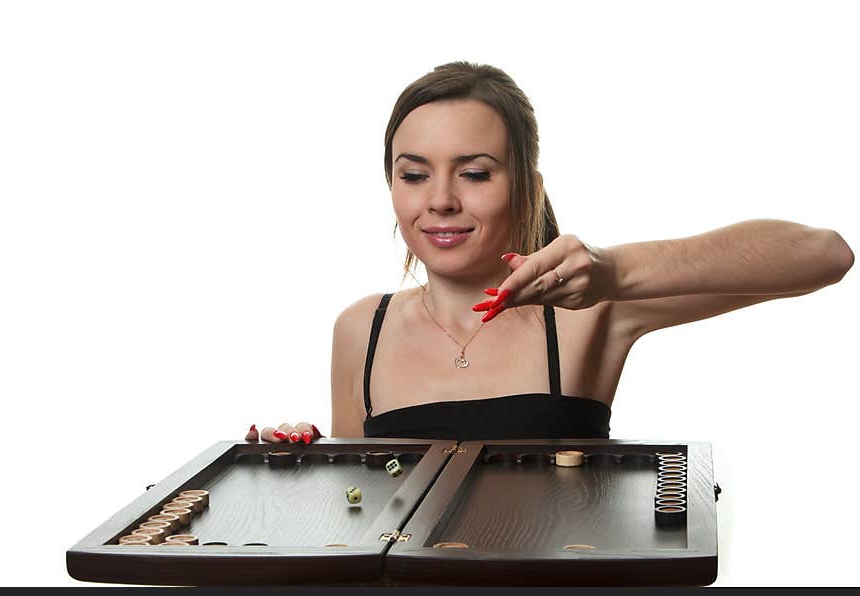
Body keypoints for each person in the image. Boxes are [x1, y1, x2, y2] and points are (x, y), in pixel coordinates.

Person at [257, 60, 854, 444]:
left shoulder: (590, 310)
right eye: (414, 175)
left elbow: (823, 255)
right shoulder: (361, 329)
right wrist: (295, 464)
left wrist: (615, 271)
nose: (439, 200)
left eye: (475, 173)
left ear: (529, 188)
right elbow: (352, 526)